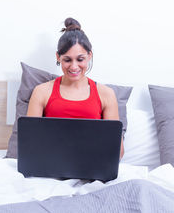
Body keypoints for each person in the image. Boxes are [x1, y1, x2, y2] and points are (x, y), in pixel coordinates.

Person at [27, 17, 124, 158]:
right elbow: (30, 142)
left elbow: (118, 151)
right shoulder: (41, 92)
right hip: (50, 167)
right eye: (67, 60)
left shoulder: (106, 94)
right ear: (58, 57)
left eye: (80, 59)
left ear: (89, 56)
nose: (74, 67)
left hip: (93, 168)